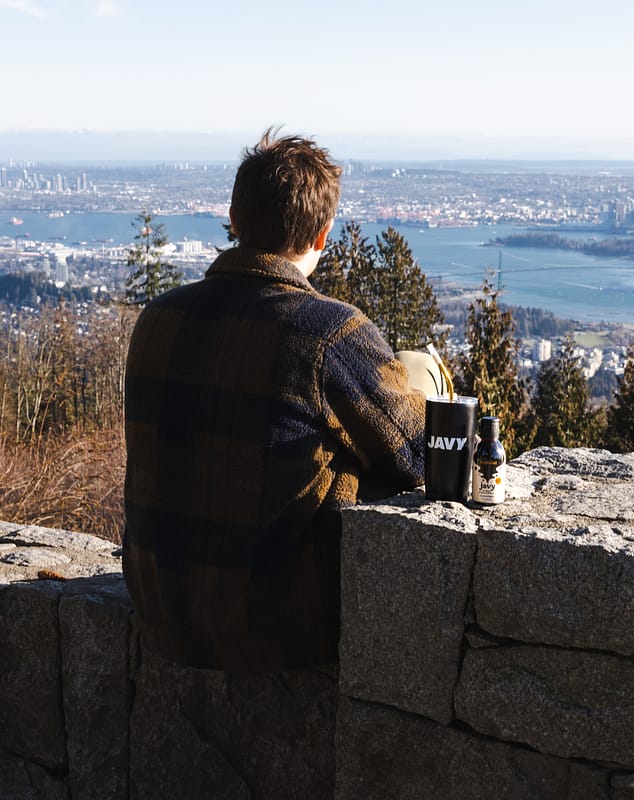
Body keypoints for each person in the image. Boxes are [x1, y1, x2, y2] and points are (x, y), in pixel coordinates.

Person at [123, 128, 425, 673]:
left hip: (160, 612)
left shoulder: (157, 319)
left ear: (235, 219)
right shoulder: (330, 333)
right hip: (276, 630)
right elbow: (423, 456)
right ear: (323, 235)